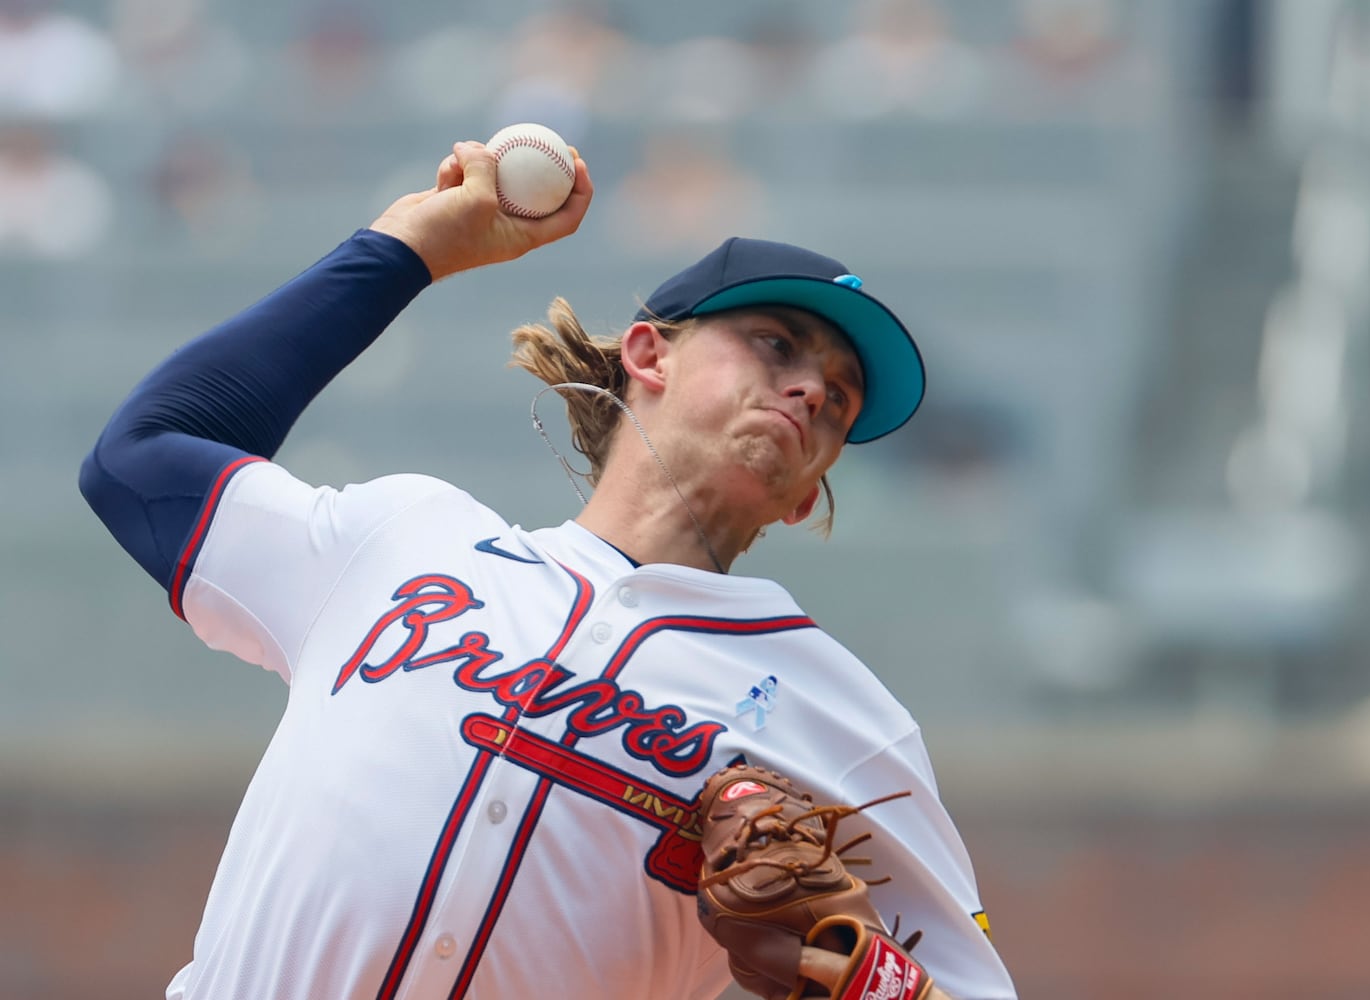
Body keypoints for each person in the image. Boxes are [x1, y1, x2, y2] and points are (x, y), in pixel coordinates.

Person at [79, 137, 1015, 1000]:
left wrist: (872, 980)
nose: (811, 388)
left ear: (807, 494)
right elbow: (141, 459)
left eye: (840, 399)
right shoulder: (405, 537)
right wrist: (406, 250)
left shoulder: (844, 723)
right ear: (648, 353)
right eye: (776, 346)